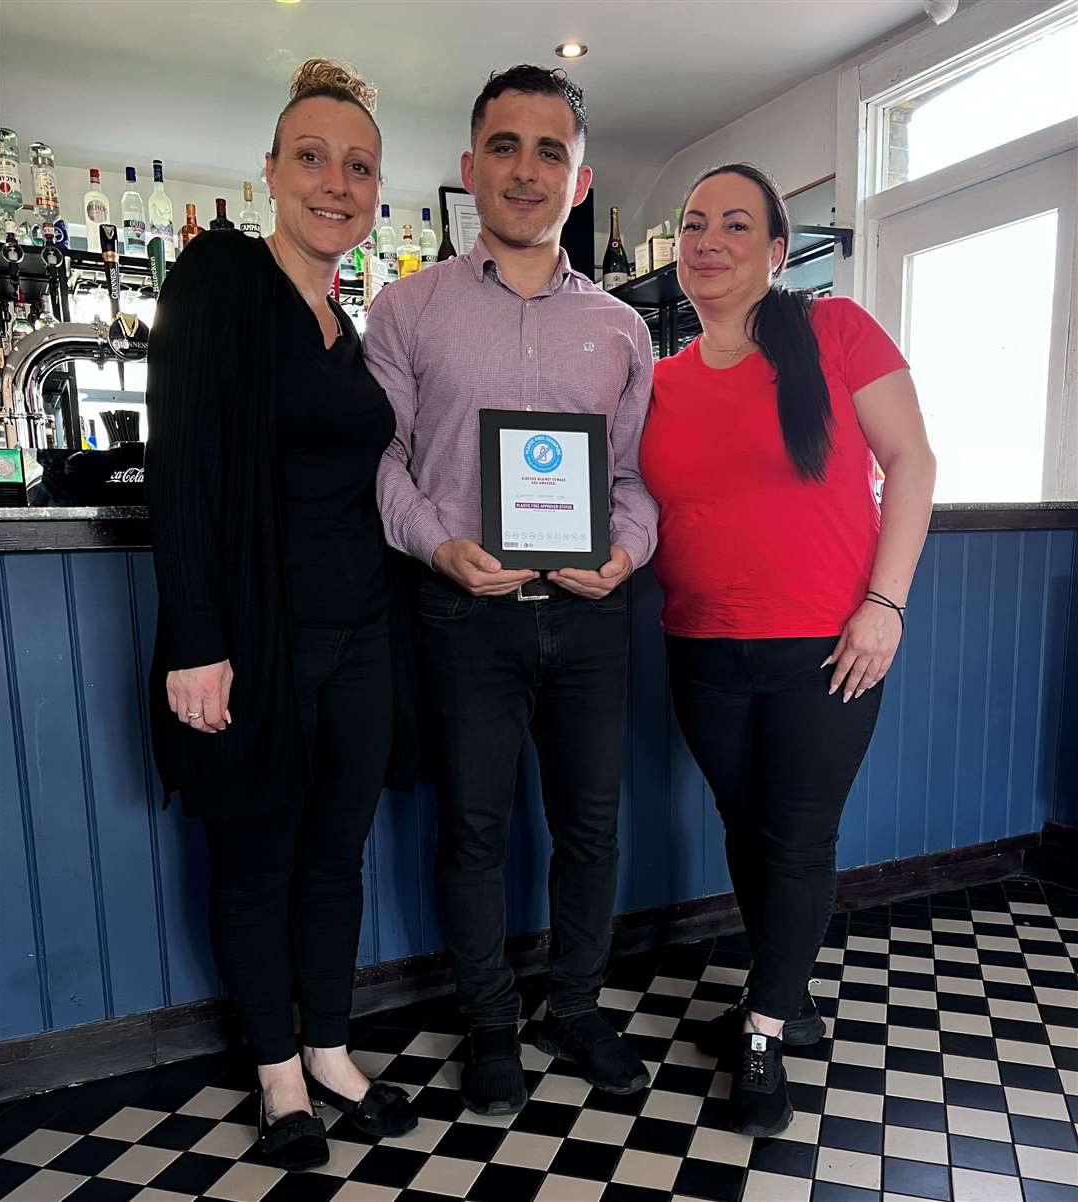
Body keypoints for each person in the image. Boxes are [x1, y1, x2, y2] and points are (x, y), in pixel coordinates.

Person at [364, 64, 658, 1116]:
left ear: (580, 182)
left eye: (550, 151)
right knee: (474, 832)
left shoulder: (623, 329)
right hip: (463, 613)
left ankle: (574, 1005)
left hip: (591, 618)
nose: (526, 169)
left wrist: (623, 553)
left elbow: (633, 483)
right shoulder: (406, 309)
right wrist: (440, 545)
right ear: (468, 168)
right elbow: (384, 462)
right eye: (506, 146)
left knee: (590, 828)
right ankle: (492, 1021)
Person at [144, 59, 418, 1171]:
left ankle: (330, 1044)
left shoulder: (344, 323)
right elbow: (183, 467)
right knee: (257, 857)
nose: (336, 182)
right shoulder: (217, 277)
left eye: (358, 166)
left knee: (335, 856)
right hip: (253, 642)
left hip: (360, 638)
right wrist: (195, 638)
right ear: (269, 171)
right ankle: (275, 1071)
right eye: (312, 156)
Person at [639, 163, 936, 1137]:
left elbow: (913, 461)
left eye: (735, 225)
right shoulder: (657, 379)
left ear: (776, 252)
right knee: (744, 820)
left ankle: (763, 1027)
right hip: (700, 648)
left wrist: (885, 602)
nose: (708, 241)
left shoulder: (836, 332)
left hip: (827, 648)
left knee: (801, 833)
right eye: (693, 225)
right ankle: (790, 985)